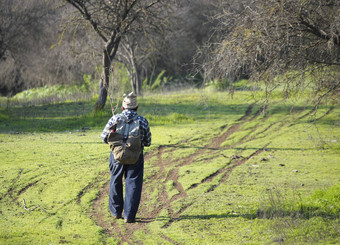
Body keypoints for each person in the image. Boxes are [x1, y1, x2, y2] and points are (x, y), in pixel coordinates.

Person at [101, 92, 151, 223]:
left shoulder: (115, 119)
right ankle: (129, 215)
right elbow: (148, 141)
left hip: (116, 156)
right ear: (136, 108)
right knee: (133, 183)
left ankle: (116, 212)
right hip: (135, 156)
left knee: (115, 181)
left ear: (123, 107)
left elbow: (103, 138)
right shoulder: (142, 121)